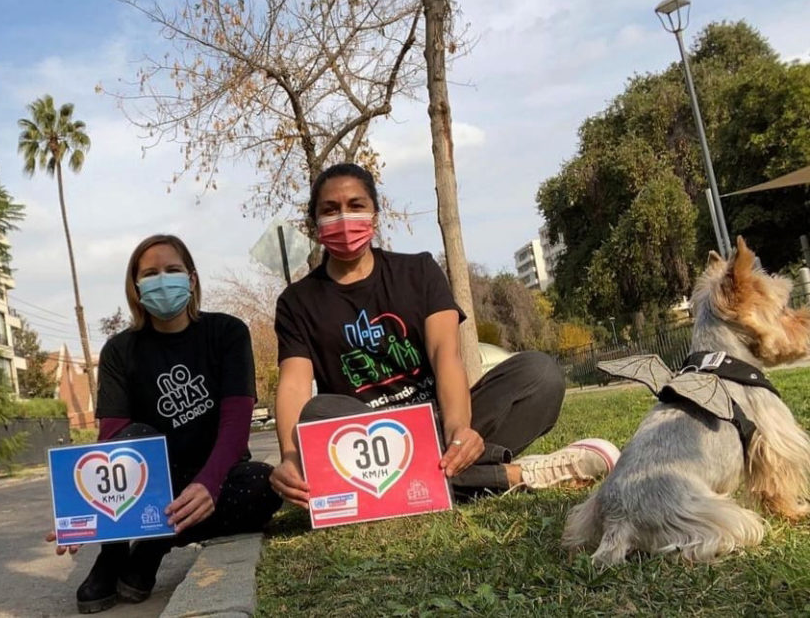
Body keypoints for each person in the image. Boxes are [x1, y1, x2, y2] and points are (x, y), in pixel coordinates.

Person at [269, 163, 620, 508]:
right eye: (330, 210)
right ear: (315, 222)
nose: (344, 219)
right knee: (317, 413)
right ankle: (516, 475)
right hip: (366, 440)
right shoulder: (297, 302)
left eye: (356, 205)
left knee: (540, 374)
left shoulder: (418, 272)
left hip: (436, 419)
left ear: (374, 215)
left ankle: (415, 481)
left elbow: (446, 357)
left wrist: (458, 430)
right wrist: (290, 457)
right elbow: (294, 386)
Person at [46, 234, 281, 614]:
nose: (162, 280)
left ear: (191, 279)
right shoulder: (119, 350)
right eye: (150, 273)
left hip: (216, 473)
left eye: (172, 270)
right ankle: (115, 552)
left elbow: (236, 426)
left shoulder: (227, 332)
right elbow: (111, 441)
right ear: (136, 288)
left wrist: (208, 483)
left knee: (264, 485)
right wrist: (85, 511)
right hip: (152, 482)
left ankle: (155, 544)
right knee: (133, 439)